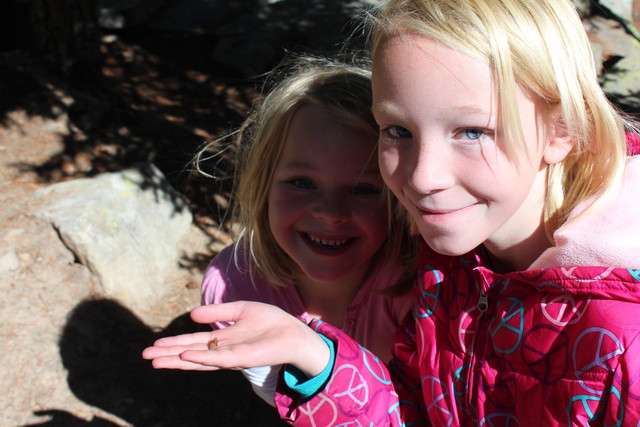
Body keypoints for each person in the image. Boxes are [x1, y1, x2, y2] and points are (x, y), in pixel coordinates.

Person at [143, 0, 640, 424]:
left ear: (563, 130)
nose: (422, 177)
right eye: (398, 131)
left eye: (472, 132)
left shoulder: (623, 333)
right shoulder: (450, 261)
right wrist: (320, 360)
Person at [147, 56, 418, 406]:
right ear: (264, 184)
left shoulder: (420, 288)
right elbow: (282, 400)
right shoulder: (234, 284)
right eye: (302, 183)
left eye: (364, 189)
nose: (330, 213)